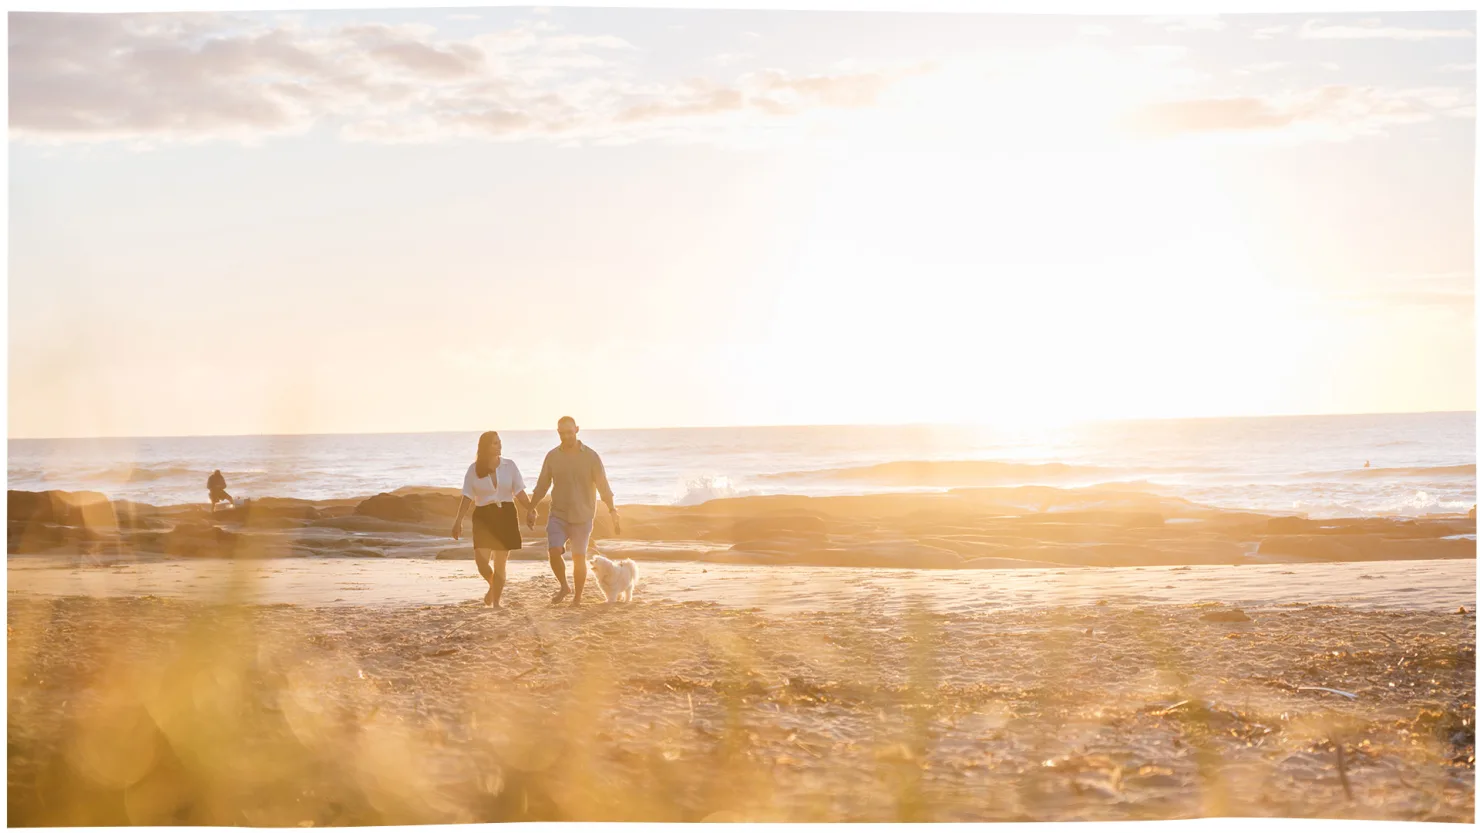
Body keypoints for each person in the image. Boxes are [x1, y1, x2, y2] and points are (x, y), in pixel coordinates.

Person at [527, 416, 620, 606]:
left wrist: (612, 510)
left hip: (583, 515)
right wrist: (531, 508)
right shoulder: (552, 456)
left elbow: (603, 485)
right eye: (562, 433)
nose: (566, 436)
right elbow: (542, 485)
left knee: (579, 557)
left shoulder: (591, 456)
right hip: (558, 514)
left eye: (569, 432)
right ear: (558, 433)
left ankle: (577, 597)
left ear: (577, 430)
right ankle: (564, 586)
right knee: (554, 551)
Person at [451, 431, 534, 608]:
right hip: (484, 517)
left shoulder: (509, 466)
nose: (499, 446)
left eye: (499, 442)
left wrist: (530, 509)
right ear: (485, 447)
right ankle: (493, 586)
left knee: (500, 564)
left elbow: (519, 491)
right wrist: (458, 521)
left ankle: (496, 602)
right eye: (495, 443)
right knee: (481, 562)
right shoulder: (474, 469)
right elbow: (466, 496)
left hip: (506, 515)